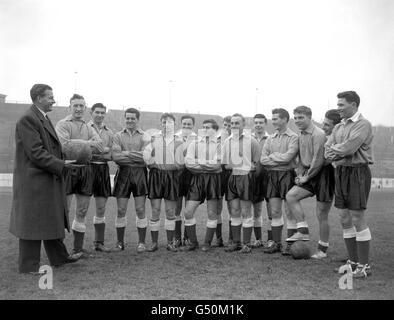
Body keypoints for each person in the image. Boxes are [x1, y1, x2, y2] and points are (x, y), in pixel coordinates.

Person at [10, 84, 81, 274]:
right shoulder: (28, 119)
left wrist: (63, 161)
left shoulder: (42, 117)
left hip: (46, 179)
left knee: (52, 218)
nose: (53, 100)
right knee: (32, 222)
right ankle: (28, 266)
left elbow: (49, 149)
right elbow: (36, 153)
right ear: (38, 98)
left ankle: (59, 258)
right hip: (34, 182)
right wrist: (61, 165)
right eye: (50, 97)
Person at [325, 91, 373, 278]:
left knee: (356, 217)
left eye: (341, 105)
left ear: (353, 105)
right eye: (337, 105)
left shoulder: (363, 124)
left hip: (357, 172)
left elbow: (349, 148)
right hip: (341, 171)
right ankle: (353, 263)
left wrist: (335, 151)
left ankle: (364, 266)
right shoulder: (339, 127)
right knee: (344, 218)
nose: (338, 109)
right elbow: (326, 150)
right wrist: (336, 152)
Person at [56, 94, 104, 257]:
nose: (78, 109)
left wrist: (79, 143)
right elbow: (64, 146)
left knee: (82, 210)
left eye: (81, 106)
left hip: (86, 169)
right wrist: (88, 143)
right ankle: (59, 250)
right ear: (69, 107)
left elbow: (100, 146)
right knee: (64, 210)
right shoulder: (62, 124)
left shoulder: (88, 126)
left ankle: (78, 249)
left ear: (85, 108)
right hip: (68, 169)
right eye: (75, 105)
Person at [285, 106, 332, 258]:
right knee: (291, 196)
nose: (297, 120)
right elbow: (301, 159)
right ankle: (303, 230)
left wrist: (306, 177)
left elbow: (318, 160)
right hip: (309, 173)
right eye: (296, 117)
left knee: (321, 213)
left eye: (301, 117)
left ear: (309, 117)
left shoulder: (318, 134)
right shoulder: (301, 135)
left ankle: (322, 250)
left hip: (324, 175)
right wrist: (299, 173)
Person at [143, 113, 184, 252]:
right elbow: (147, 158)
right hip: (156, 177)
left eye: (170, 122)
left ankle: (170, 242)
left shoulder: (179, 140)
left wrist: (169, 165)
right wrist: (155, 164)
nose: (167, 125)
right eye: (164, 122)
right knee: (155, 210)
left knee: (170, 211)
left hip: (172, 177)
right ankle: (154, 243)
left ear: (174, 124)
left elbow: (181, 162)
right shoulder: (153, 138)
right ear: (161, 123)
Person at [260, 108, 299, 254]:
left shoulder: (294, 137)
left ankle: (290, 245)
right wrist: (279, 158)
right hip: (272, 177)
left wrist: (273, 156)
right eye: (272, 118)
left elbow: (288, 158)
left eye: (275, 118)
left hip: (288, 175)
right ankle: (277, 244)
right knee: (275, 211)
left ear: (284, 119)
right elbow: (263, 160)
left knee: (290, 212)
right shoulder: (270, 138)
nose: (273, 121)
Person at [111, 108, 150, 252]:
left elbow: (146, 158)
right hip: (123, 174)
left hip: (140, 174)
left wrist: (125, 153)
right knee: (121, 210)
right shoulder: (117, 136)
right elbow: (116, 157)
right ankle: (120, 243)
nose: (130, 121)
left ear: (138, 119)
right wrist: (135, 157)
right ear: (124, 118)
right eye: (127, 118)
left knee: (140, 209)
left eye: (133, 118)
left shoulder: (145, 136)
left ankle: (141, 242)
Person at [222, 114, 261, 253]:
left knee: (246, 211)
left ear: (243, 124)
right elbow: (226, 165)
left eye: (237, 123)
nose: (233, 126)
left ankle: (246, 244)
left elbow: (256, 164)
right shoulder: (227, 141)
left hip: (246, 179)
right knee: (235, 211)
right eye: (232, 123)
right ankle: (236, 243)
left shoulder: (252, 141)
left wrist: (245, 167)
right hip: (233, 178)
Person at [181, 119, 222, 251]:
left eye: (208, 127)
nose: (205, 129)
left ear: (215, 130)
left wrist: (199, 162)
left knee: (212, 213)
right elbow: (188, 163)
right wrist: (207, 165)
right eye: (203, 127)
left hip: (213, 180)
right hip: (197, 179)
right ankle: (193, 242)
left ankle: (207, 243)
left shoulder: (220, 144)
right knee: (188, 212)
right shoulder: (194, 143)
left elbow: (217, 165)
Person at [88, 103, 114, 252]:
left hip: (103, 169)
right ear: (91, 113)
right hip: (87, 168)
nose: (100, 115)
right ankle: (77, 247)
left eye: (102, 113)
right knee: (81, 208)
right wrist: (100, 151)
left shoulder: (109, 132)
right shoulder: (84, 128)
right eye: (97, 112)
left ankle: (99, 242)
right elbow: (81, 151)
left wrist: (94, 151)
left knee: (101, 207)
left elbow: (111, 155)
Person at [174, 115, 197, 247]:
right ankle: (177, 238)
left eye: (189, 124)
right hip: (177, 176)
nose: (186, 127)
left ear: (193, 125)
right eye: (184, 124)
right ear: (181, 125)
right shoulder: (174, 138)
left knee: (189, 209)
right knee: (176, 208)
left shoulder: (197, 139)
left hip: (191, 176)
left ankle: (187, 237)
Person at [251, 114, 271, 249]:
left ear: (265, 123)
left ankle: (271, 240)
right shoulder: (248, 139)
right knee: (256, 210)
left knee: (272, 210)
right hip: (253, 178)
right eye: (256, 122)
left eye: (261, 122)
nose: (258, 124)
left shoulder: (271, 139)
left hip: (269, 178)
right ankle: (258, 239)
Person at [215, 115, 232, 247]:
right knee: (217, 206)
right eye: (225, 125)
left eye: (230, 125)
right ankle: (219, 238)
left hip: (232, 173)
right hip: (219, 173)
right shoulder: (216, 138)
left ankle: (232, 238)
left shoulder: (239, 140)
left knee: (233, 206)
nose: (227, 127)